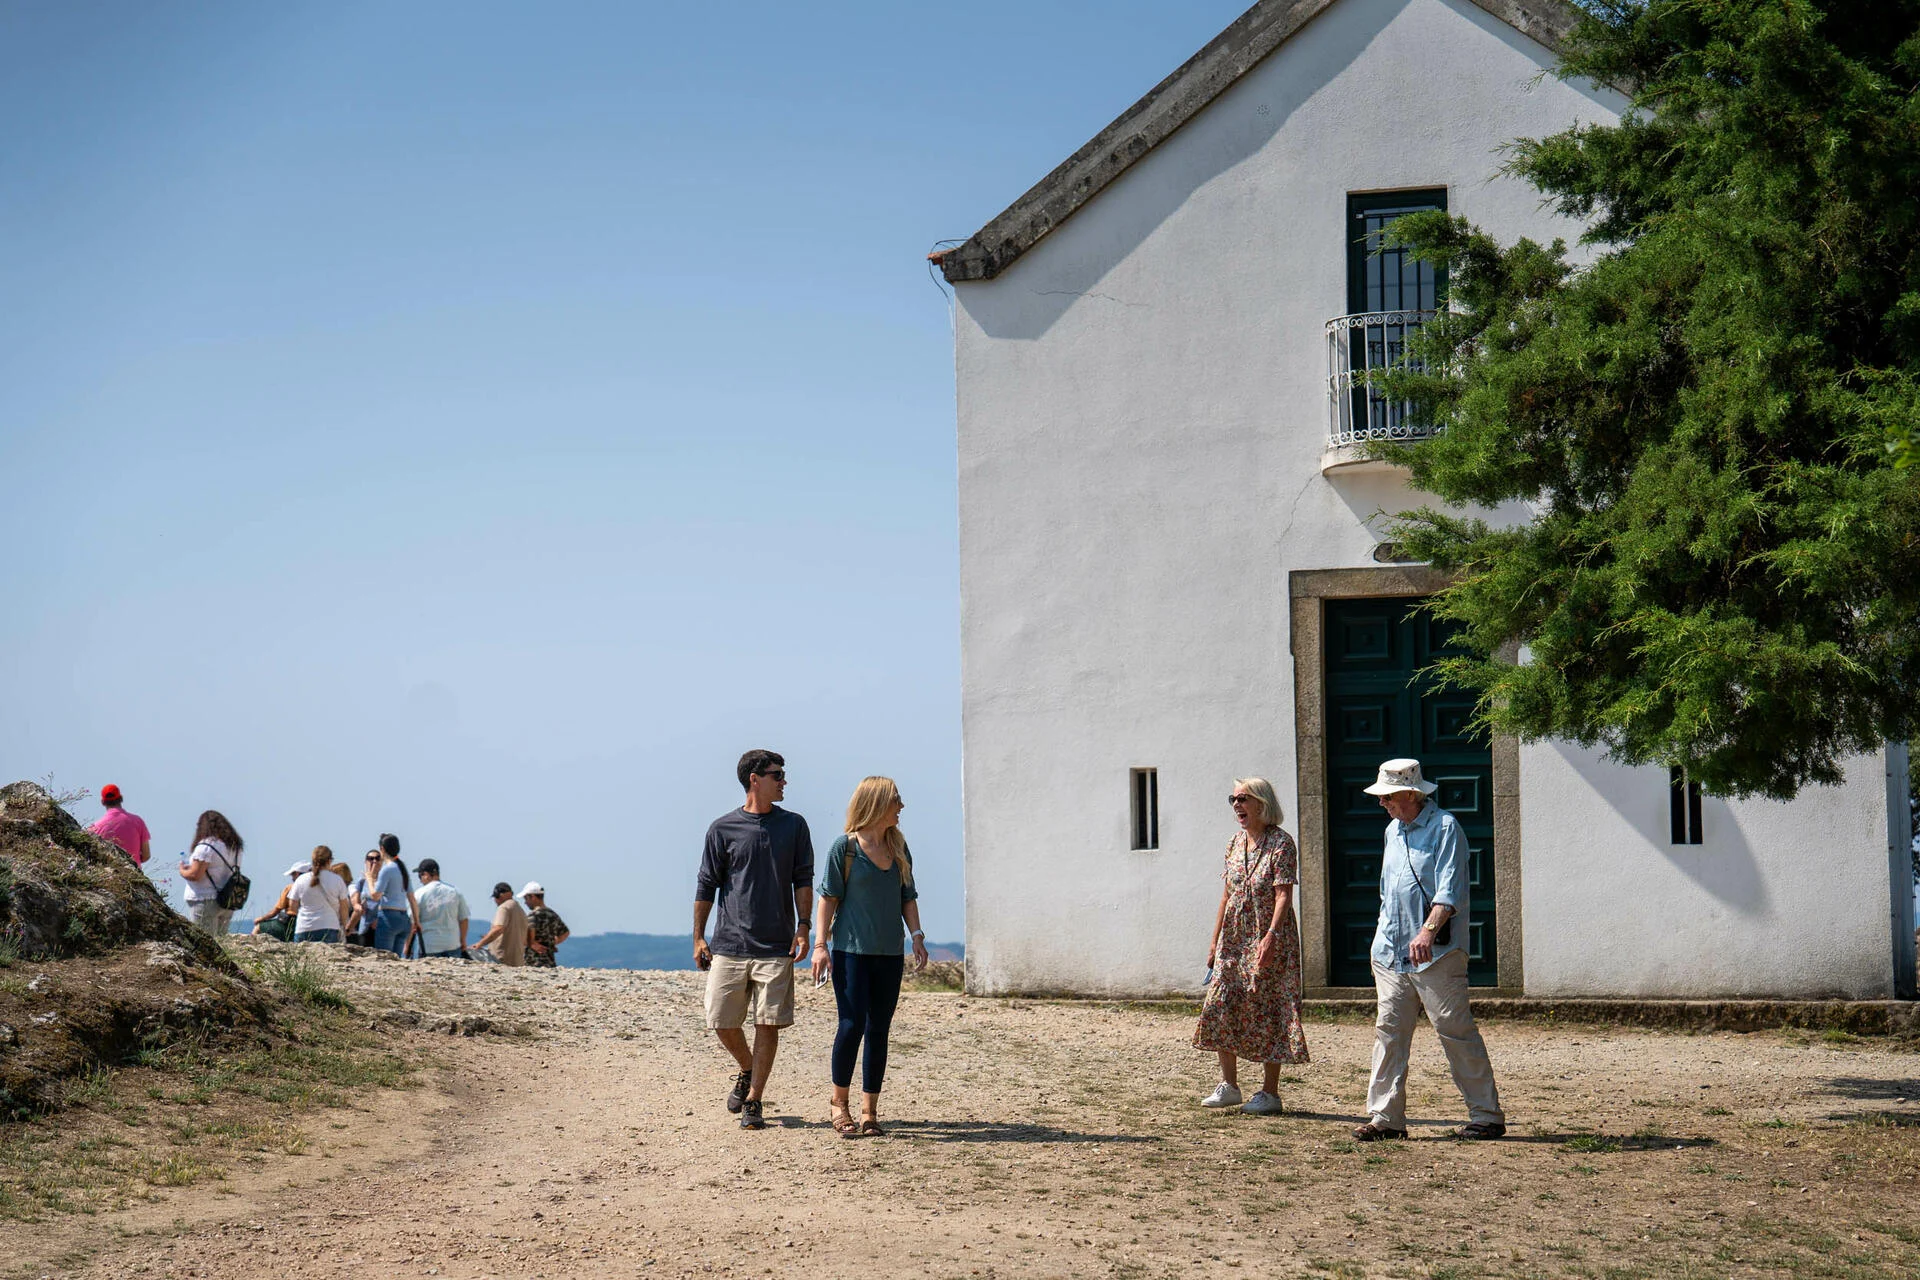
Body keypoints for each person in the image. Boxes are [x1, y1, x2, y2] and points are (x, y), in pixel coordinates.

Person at [1353, 758, 1506, 1142]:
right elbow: (1389, 891)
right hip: (1390, 951)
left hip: (1435, 952)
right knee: (1389, 1030)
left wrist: (1426, 931)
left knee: (1454, 1030)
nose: (1382, 804)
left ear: (1410, 793)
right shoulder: (1392, 831)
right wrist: (1382, 938)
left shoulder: (1445, 827)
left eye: (1387, 797)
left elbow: (1449, 890)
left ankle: (1487, 1115)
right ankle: (1385, 1118)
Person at [694, 749, 815, 1131]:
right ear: (754, 779)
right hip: (728, 943)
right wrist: (698, 936)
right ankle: (747, 1068)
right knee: (720, 1020)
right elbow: (706, 885)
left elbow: (803, 880)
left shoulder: (794, 826)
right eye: (777, 775)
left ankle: (754, 1100)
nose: (784, 781)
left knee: (768, 1023)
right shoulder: (722, 828)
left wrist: (804, 926)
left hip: (776, 945)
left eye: (783, 774)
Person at [812, 776, 928, 1138]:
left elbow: (907, 897)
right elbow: (828, 897)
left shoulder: (898, 848)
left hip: (889, 954)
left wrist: (918, 937)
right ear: (877, 803)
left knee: (879, 1028)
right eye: (896, 800)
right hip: (850, 954)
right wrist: (820, 946)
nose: (901, 807)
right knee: (852, 1025)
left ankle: (869, 1111)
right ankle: (839, 1105)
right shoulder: (844, 849)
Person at [1193, 777, 1310, 1114]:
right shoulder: (1233, 843)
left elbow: (1284, 893)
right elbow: (1226, 895)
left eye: (1243, 799)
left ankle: (1269, 1093)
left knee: (1270, 1007)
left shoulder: (1281, 843)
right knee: (1220, 1003)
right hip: (1233, 938)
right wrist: (1214, 941)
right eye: (1233, 799)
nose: (1236, 805)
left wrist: (1271, 936)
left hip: (1268, 936)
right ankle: (1229, 1086)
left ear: (1262, 803)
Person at [178, 811, 245, 937]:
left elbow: (195, 875)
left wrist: (182, 870)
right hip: (227, 899)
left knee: (203, 941)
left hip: (205, 899)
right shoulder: (234, 847)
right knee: (220, 941)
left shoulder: (207, 846)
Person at [365, 833, 417, 957]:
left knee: (384, 958)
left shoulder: (387, 869)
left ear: (382, 849)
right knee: (396, 959)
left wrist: (370, 879)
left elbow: (375, 895)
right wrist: (417, 921)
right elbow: (412, 898)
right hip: (404, 917)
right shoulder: (402, 869)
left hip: (389, 916)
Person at [290, 846, 351, 943]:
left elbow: (292, 907)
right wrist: (345, 926)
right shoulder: (337, 880)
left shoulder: (300, 880)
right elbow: (344, 908)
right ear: (329, 861)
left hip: (304, 927)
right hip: (329, 926)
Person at [415, 859, 471, 959]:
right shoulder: (455, 891)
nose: (420, 880)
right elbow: (464, 919)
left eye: (420, 875)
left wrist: (407, 945)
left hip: (429, 946)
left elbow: (413, 922)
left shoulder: (419, 894)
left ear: (426, 874)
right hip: (452, 944)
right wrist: (462, 940)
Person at [87, 784, 151, 867]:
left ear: (102, 802)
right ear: (121, 798)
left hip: (108, 876)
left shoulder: (94, 828)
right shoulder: (137, 821)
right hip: (134, 876)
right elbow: (146, 855)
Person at [471, 882, 528, 966]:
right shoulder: (520, 910)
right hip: (517, 959)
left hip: (502, 958)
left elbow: (498, 928)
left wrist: (479, 944)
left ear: (498, 896)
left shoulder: (504, 907)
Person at [252, 862, 310, 940]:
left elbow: (275, 911)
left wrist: (260, 919)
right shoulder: (315, 889)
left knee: (258, 927)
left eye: (293, 874)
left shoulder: (290, 888)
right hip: (306, 924)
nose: (292, 878)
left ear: (298, 874)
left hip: (289, 924)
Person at [521, 883, 569, 967]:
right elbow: (565, 933)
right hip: (550, 961)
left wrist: (532, 944)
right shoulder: (553, 914)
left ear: (533, 896)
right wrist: (552, 943)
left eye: (526, 898)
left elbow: (526, 937)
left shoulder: (533, 915)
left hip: (533, 960)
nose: (525, 902)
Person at [348, 851, 382, 947]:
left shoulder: (384, 879)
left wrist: (378, 919)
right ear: (366, 861)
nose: (374, 861)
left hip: (380, 925)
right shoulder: (362, 881)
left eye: (377, 858)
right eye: (370, 858)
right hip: (365, 925)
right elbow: (356, 903)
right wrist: (350, 926)